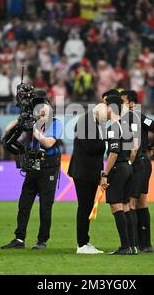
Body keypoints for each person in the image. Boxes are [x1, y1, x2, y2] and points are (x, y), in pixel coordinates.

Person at [1, 100, 63, 250]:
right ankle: (19, 239)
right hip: (33, 166)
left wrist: (35, 130)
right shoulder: (33, 122)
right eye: (39, 108)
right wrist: (21, 118)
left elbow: (48, 143)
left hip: (49, 167)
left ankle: (42, 240)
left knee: (45, 207)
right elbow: (7, 129)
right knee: (24, 204)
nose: (41, 110)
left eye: (44, 108)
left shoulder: (56, 123)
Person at [120, 90, 154, 253]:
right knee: (142, 201)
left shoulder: (131, 117)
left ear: (131, 103)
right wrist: (150, 147)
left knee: (131, 201)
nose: (120, 104)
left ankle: (134, 242)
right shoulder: (141, 117)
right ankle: (145, 243)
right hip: (145, 162)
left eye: (123, 101)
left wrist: (147, 148)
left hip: (136, 162)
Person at [68, 102, 108, 254]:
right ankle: (82, 244)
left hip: (87, 171)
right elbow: (90, 148)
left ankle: (84, 241)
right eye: (104, 118)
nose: (104, 122)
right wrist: (105, 143)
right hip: (84, 172)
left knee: (86, 207)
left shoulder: (89, 121)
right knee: (84, 207)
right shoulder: (86, 122)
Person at [100, 95, 134, 255]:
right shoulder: (126, 125)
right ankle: (131, 246)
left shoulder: (113, 127)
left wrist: (105, 174)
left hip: (118, 168)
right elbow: (133, 149)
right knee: (126, 206)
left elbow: (113, 153)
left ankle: (125, 246)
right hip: (127, 166)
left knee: (116, 206)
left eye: (105, 106)